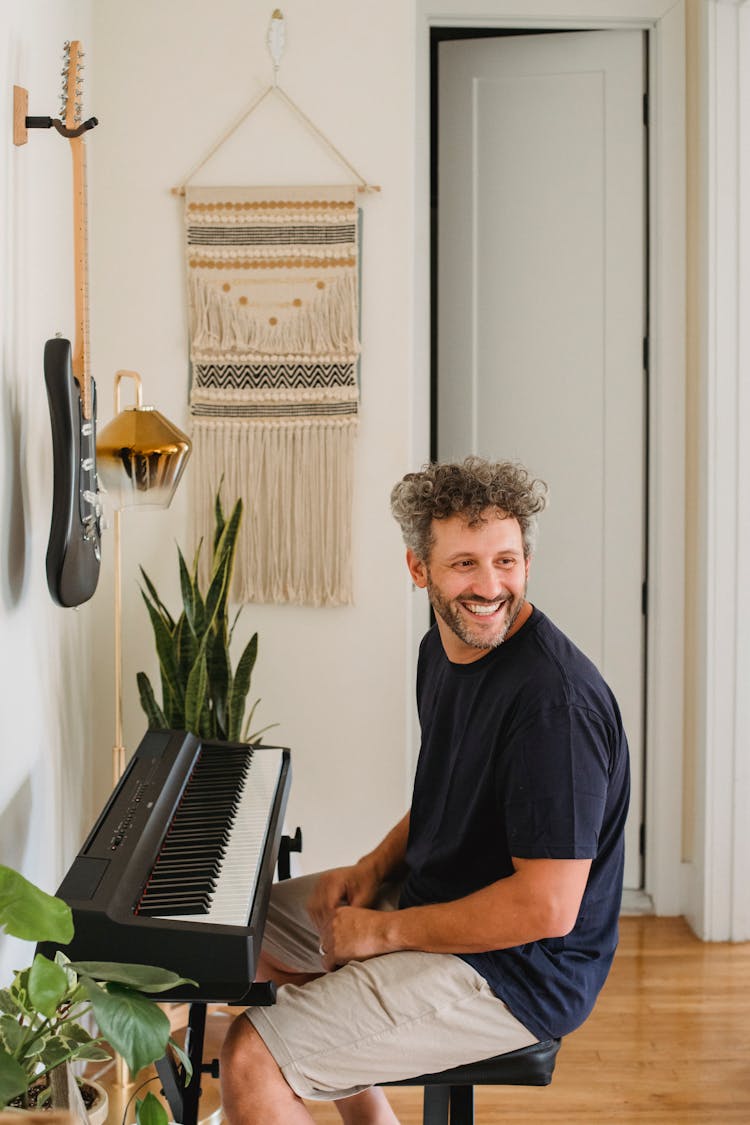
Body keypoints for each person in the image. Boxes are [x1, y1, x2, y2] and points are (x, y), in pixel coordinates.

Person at [220, 457, 630, 1125]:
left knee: (249, 1056)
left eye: (506, 560)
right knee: (245, 930)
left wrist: (383, 931)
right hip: (444, 896)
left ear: (527, 559)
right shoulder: (442, 652)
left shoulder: (554, 706)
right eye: (464, 563)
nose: (490, 585)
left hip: (522, 971)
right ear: (419, 569)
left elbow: (548, 908)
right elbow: (453, 794)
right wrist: (372, 869)